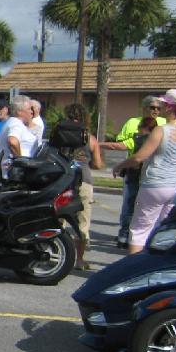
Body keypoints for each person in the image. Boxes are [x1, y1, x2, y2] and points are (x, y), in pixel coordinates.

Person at [112, 89, 176, 254]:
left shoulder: (161, 130)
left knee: (139, 229)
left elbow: (139, 157)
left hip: (155, 184)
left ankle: (134, 266)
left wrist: (119, 166)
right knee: (164, 229)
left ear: (168, 107)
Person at [101, 95, 166, 248]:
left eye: (158, 108)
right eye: (152, 107)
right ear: (144, 108)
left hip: (155, 172)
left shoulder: (164, 124)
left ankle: (145, 237)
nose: (155, 111)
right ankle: (125, 234)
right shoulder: (132, 123)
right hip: (134, 169)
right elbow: (123, 143)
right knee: (130, 204)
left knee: (150, 207)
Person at [49, 103, 104, 270]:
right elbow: (98, 164)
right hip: (83, 180)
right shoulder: (90, 138)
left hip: (61, 179)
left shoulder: (58, 133)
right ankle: (79, 260)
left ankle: (55, 254)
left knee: (57, 219)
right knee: (82, 222)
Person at [0, 95, 37, 179]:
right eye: (29, 109)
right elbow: (12, 142)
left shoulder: (10, 123)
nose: (31, 112)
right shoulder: (16, 123)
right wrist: (21, 162)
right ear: (19, 112)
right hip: (18, 175)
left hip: (12, 173)